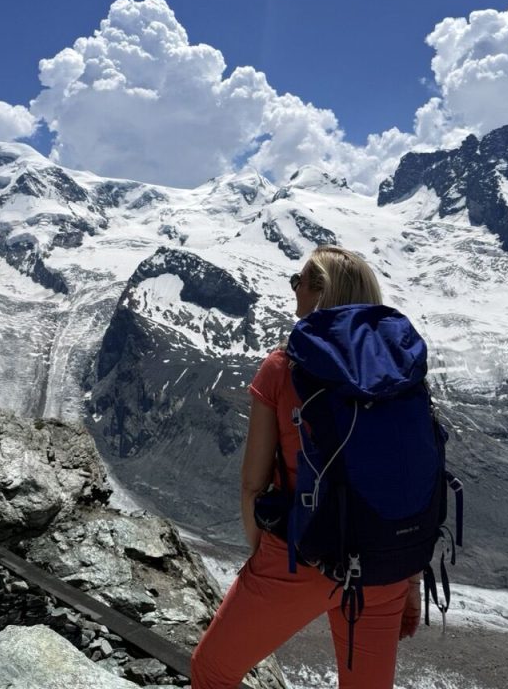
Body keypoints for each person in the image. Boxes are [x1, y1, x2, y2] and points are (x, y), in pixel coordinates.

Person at [191, 245, 422, 689]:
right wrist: (407, 576)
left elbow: (252, 482)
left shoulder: (283, 365)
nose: (294, 290)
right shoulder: (402, 370)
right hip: (385, 560)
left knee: (213, 670)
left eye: (298, 282)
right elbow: (410, 477)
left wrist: (264, 560)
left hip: (303, 554)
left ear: (318, 291)